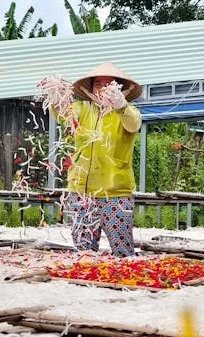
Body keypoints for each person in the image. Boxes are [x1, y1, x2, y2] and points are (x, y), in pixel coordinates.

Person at [63, 62, 143, 257]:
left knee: (122, 251)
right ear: (90, 89)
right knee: (83, 253)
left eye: (110, 85)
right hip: (81, 191)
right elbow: (65, 116)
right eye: (98, 84)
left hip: (115, 192)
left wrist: (121, 106)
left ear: (119, 89)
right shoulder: (82, 108)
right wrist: (58, 100)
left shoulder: (128, 112)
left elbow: (133, 125)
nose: (103, 89)